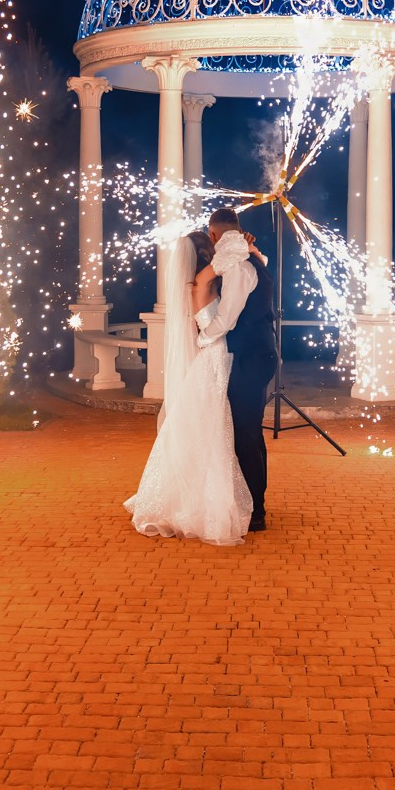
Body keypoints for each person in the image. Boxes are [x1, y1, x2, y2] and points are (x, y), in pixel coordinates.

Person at [123, 220, 254, 543]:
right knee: (210, 427)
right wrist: (243, 247)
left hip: (207, 352)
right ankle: (201, 505)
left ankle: (187, 495)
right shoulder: (203, 280)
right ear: (203, 254)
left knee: (201, 424)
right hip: (211, 353)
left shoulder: (194, 283)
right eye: (210, 248)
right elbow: (224, 271)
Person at [206, 206, 274, 531]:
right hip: (261, 354)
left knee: (245, 436)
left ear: (212, 234)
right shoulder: (255, 262)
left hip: (248, 358)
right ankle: (255, 503)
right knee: (252, 432)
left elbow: (227, 318)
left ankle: (256, 512)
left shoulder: (236, 268)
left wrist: (201, 336)